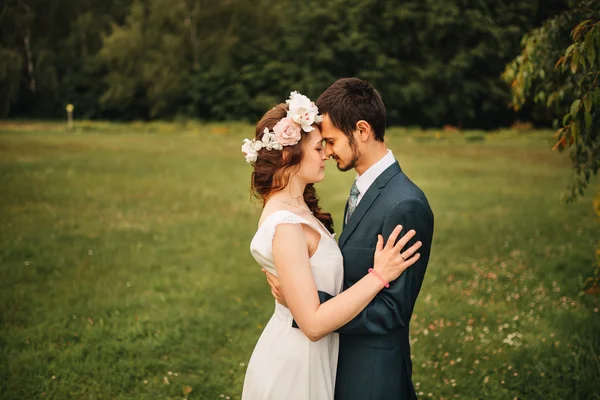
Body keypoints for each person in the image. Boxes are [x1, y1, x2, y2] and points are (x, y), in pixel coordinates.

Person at [241, 91, 423, 400]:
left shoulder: (298, 208)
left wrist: (301, 300)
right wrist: (378, 277)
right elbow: (311, 323)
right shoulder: (286, 224)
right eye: (318, 147)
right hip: (295, 366)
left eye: (328, 143)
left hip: (317, 356)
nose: (326, 153)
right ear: (289, 156)